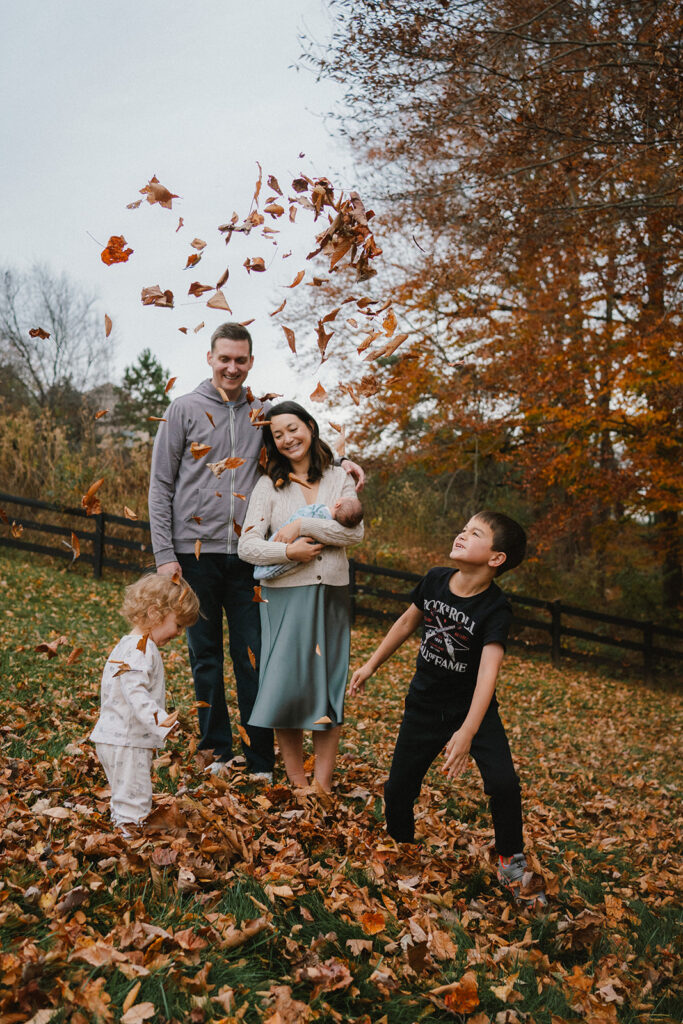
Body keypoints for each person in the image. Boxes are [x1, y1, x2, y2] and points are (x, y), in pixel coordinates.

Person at [148, 322, 364, 780]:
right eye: (224, 358)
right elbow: (161, 485)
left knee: (254, 655)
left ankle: (260, 759)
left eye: (240, 360)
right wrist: (165, 554)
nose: (232, 367)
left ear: (250, 362)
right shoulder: (183, 409)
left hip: (251, 556)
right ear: (210, 358)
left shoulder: (261, 412)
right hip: (195, 553)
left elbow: (300, 440)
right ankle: (217, 751)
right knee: (204, 654)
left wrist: (344, 463)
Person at [349, 511, 548, 908]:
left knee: (505, 784)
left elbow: (487, 676)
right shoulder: (436, 579)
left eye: (475, 533)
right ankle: (402, 850)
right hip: (424, 704)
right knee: (399, 787)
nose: (462, 534)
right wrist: (370, 665)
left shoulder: (496, 609)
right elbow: (406, 624)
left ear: (496, 559)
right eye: (463, 528)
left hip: (473, 711)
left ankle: (511, 865)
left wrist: (469, 731)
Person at [238, 401, 364, 793]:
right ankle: (298, 783)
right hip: (283, 598)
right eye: (278, 435)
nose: (288, 438)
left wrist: (301, 526)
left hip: (331, 596)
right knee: (285, 689)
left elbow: (354, 535)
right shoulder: (267, 485)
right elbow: (248, 546)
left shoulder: (337, 477)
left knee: (328, 691)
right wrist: (288, 552)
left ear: (310, 427)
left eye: (293, 428)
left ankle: (322, 787)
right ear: (272, 443)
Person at [90, 574, 200, 833]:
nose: (179, 633)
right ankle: (131, 847)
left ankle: (122, 831)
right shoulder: (142, 649)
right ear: (154, 613)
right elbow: (135, 691)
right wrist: (160, 721)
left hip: (113, 737)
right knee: (135, 801)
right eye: (178, 624)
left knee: (124, 794)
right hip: (127, 741)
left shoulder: (127, 645)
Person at [254, 496, 363, 582]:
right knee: (283, 564)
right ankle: (263, 571)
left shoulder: (317, 510)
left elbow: (301, 515)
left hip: (290, 544)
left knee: (279, 540)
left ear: (337, 504)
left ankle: (262, 568)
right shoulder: (332, 530)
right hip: (295, 551)